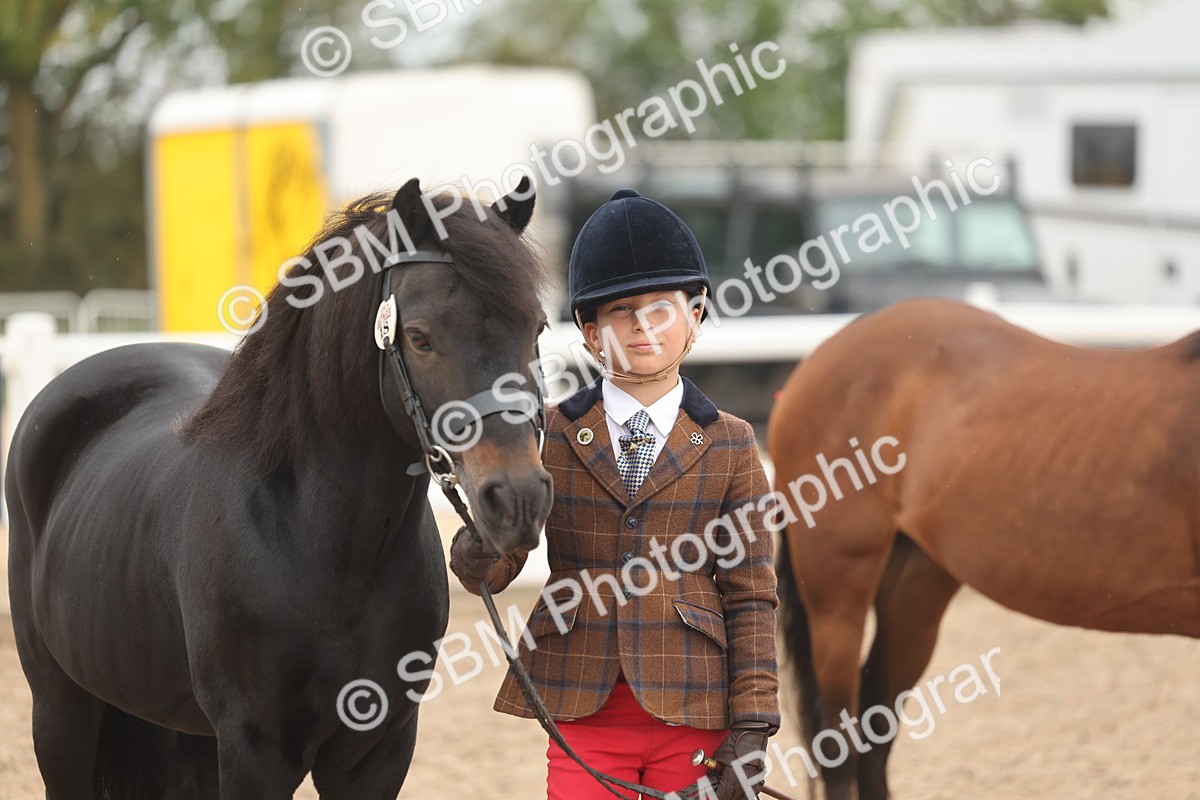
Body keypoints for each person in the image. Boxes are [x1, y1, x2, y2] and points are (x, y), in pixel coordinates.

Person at [450, 188, 779, 800]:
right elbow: (506, 560)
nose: (643, 325)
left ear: (697, 314)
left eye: (662, 307)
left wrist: (754, 727)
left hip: (696, 704)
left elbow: (751, 593)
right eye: (622, 310)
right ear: (590, 331)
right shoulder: (546, 431)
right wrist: (479, 552)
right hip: (582, 705)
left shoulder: (731, 444)